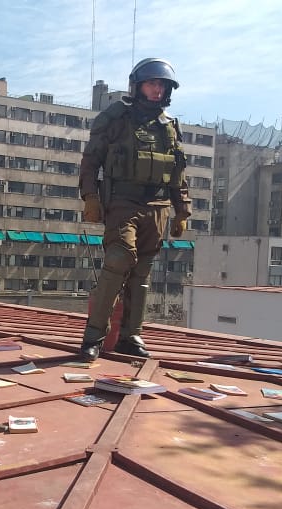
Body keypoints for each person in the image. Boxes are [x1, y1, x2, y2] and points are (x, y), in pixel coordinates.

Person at [77, 58, 191, 362]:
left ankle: (131, 335)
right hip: (122, 201)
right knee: (118, 260)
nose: (156, 90)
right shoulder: (115, 118)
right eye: (151, 83)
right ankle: (93, 337)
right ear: (138, 85)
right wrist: (90, 196)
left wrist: (182, 211)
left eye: (161, 85)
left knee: (142, 272)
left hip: (157, 205)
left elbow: (178, 173)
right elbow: (91, 161)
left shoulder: (170, 127)